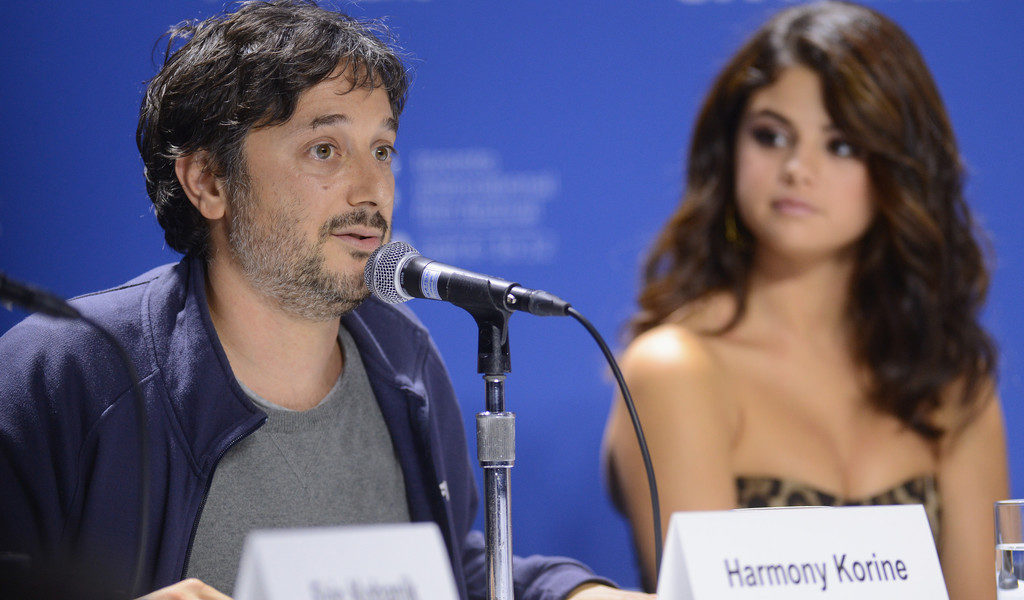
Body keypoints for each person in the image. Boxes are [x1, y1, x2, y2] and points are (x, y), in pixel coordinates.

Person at [0, 2, 652, 599]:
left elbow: (449, 566)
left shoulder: (404, 358)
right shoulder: (66, 372)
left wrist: (573, 593)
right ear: (208, 181)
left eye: (382, 149)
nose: (372, 189)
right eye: (324, 149)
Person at [601, 1, 1008, 598]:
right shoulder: (678, 369)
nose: (797, 168)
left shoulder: (951, 380)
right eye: (771, 136)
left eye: (841, 145)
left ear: (899, 170)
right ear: (728, 150)